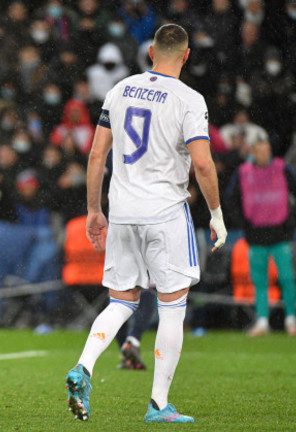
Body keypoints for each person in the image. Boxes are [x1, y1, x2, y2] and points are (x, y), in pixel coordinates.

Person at [65, 24, 227, 424]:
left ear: (151, 52)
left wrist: (93, 210)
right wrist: (217, 214)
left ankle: (83, 366)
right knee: (172, 309)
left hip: (121, 210)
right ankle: (158, 404)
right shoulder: (189, 99)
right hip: (166, 212)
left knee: (121, 301)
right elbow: (203, 163)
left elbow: (96, 156)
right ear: (186, 56)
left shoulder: (120, 89)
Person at [226, 138, 296, 336]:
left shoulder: (282, 168)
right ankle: (262, 321)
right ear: (253, 151)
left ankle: (291, 320)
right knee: (259, 280)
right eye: (260, 151)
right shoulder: (243, 172)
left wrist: (294, 219)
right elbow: (230, 197)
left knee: (287, 277)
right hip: (256, 235)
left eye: (267, 150)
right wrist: (242, 222)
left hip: (280, 233)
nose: (264, 154)